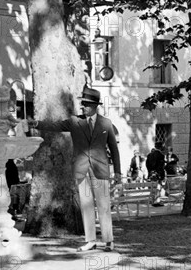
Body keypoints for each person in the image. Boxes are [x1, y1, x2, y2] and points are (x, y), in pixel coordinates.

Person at [28, 86, 121, 252]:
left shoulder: (106, 123)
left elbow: (114, 149)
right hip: (81, 170)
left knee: (104, 206)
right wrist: (36, 123)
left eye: (86, 104)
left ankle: (108, 241)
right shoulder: (74, 122)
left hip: (100, 171)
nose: (83, 106)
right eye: (82, 103)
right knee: (86, 206)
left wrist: (119, 172)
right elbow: (55, 125)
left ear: (94, 106)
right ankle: (90, 240)